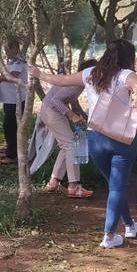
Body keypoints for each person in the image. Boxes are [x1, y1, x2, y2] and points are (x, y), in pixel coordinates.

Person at [30, 39, 137, 249]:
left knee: (115, 186)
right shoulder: (126, 75)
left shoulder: (91, 73)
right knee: (117, 187)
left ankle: (130, 225)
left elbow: (61, 80)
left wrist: (39, 74)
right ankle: (109, 235)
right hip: (121, 138)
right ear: (128, 57)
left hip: (96, 137)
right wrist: (135, 109)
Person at [40, 59, 98, 199]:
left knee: (66, 145)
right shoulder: (75, 83)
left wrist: (83, 117)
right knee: (71, 145)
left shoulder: (79, 83)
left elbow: (72, 101)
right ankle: (74, 186)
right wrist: (71, 115)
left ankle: (54, 181)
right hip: (51, 111)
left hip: (50, 111)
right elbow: (56, 100)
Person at [0, 39, 28, 165]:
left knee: (11, 126)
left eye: (7, 49)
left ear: (14, 48)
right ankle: (10, 151)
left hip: (16, 99)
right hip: (10, 99)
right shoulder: (12, 60)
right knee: (9, 126)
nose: (6, 52)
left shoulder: (19, 61)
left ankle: (12, 155)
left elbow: (13, 76)